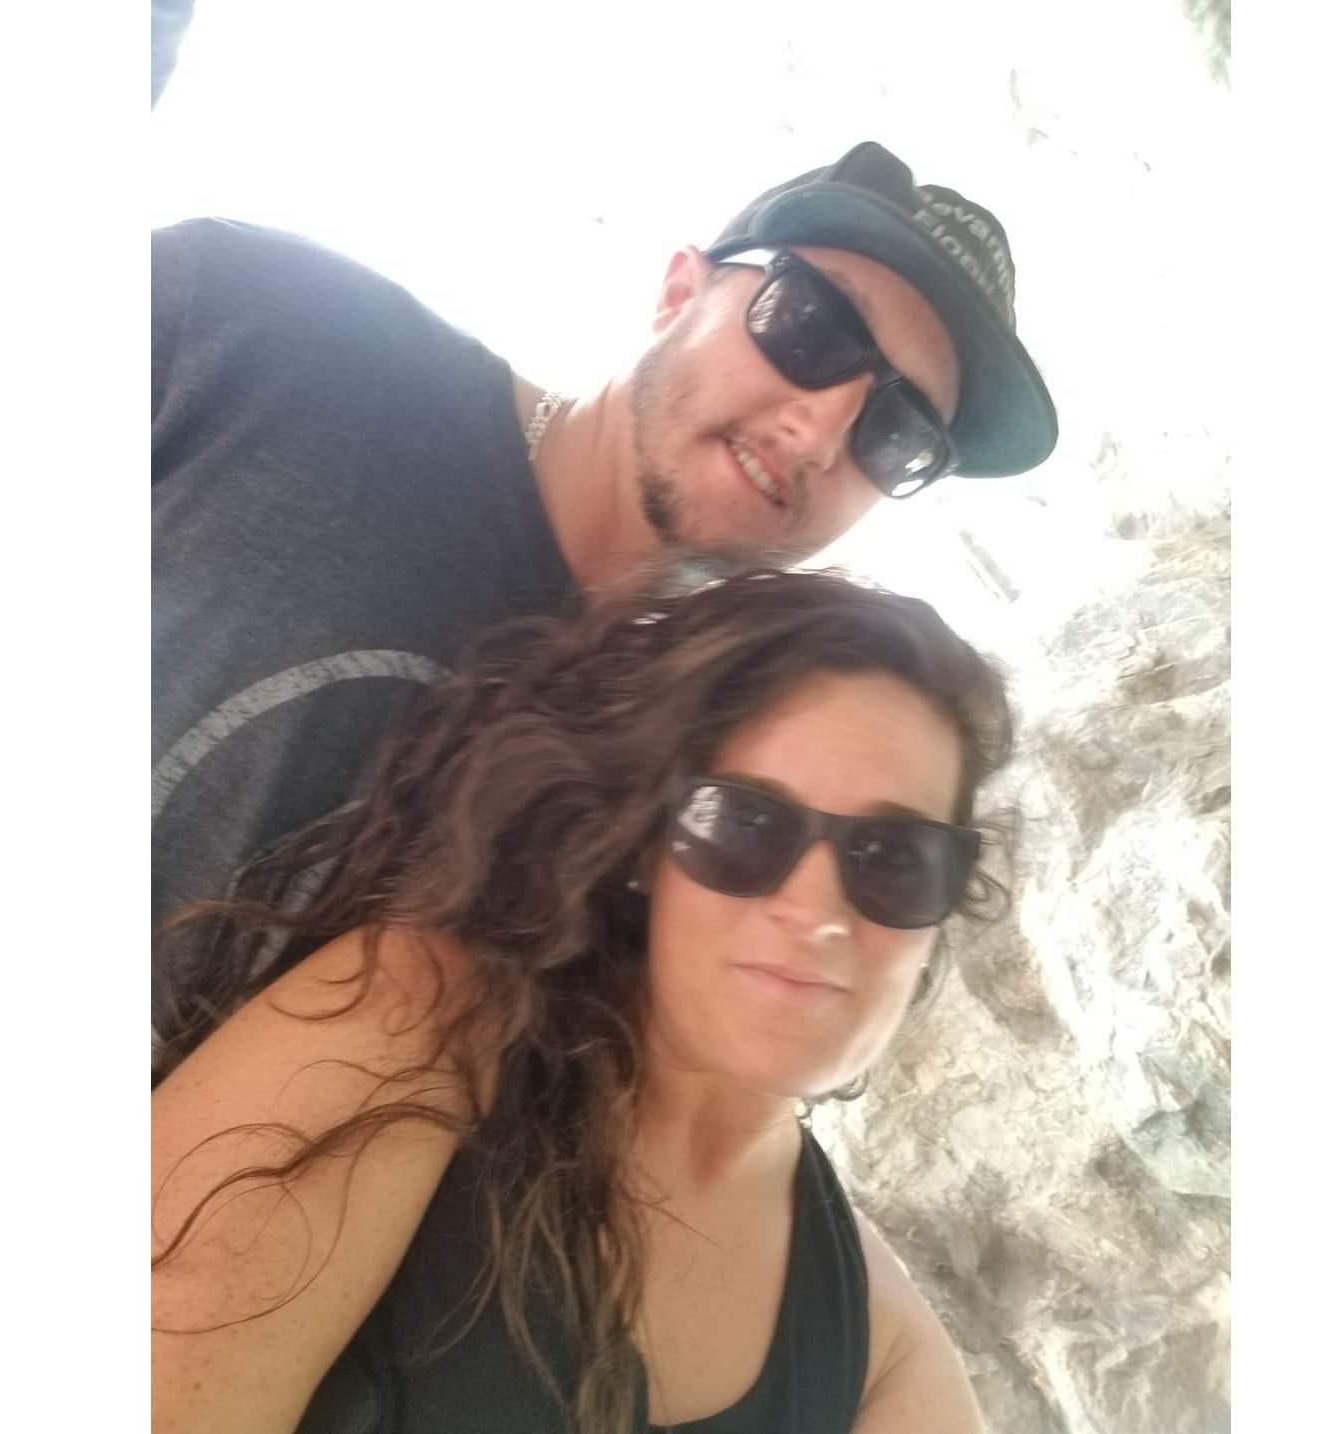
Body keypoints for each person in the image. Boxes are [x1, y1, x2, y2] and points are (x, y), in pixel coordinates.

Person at [153, 138, 1055, 1050]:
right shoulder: (265, 326)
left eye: (898, 432)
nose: (821, 434)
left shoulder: (693, 793)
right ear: (680, 291)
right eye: (812, 327)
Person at [152, 562, 1014, 1433]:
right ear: (646, 849)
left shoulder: (879, 1349)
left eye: (895, 857)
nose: (816, 910)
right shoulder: (416, 1025)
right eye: (743, 823)